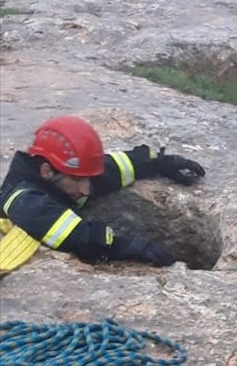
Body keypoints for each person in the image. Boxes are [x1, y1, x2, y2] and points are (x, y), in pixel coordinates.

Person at [0, 115, 205, 268]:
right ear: (46, 171)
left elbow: (112, 167)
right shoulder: (23, 200)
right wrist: (129, 245)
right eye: (78, 180)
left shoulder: (58, 176)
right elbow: (79, 237)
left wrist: (160, 163)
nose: (86, 189)